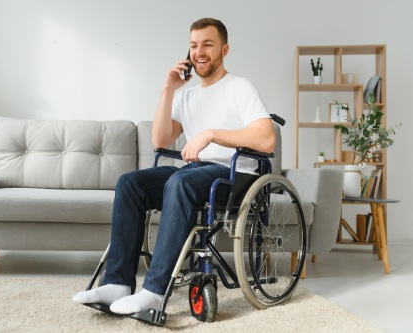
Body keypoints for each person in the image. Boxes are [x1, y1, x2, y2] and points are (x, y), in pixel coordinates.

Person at [72, 17, 275, 315]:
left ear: (225, 49)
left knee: (179, 182)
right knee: (130, 183)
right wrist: (168, 89)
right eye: (194, 45)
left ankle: (154, 291)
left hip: (233, 176)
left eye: (208, 44)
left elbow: (267, 139)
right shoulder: (186, 95)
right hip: (194, 173)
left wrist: (211, 133)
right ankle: (117, 283)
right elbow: (160, 139)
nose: (199, 52)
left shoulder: (239, 87)